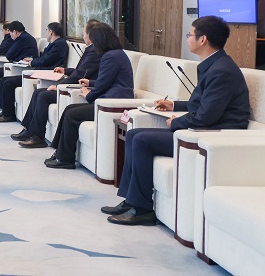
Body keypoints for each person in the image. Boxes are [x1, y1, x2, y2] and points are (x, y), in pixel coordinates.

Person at [104, 16, 250, 226]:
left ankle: (142, 209)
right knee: (134, 134)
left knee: (142, 140)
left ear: (203, 39)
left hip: (215, 134)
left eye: (190, 34)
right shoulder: (215, 65)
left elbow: (206, 116)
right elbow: (203, 103)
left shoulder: (222, 71)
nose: (188, 38)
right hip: (204, 128)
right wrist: (174, 105)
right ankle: (131, 200)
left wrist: (177, 123)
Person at [45, 23, 134, 169]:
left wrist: (88, 94)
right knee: (69, 109)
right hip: (111, 99)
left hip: (112, 104)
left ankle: (65, 159)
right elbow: (108, 80)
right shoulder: (116, 54)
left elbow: (101, 87)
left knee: (72, 114)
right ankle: (60, 152)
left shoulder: (110, 57)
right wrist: (90, 82)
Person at [15, 19, 102, 148]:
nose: (83, 35)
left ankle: (38, 136)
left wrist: (58, 86)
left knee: (43, 95)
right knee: (38, 92)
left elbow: (80, 74)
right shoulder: (90, 49)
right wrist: (65, 70)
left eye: (84, 33)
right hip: (75, 84)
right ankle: (29, 130)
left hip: (79, 88)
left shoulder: (95, 51)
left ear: (90, 34)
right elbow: (80, 70)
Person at [0, 22, 69, 122]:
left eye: (46, 30)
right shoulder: (54, 44)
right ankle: (5, 111)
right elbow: (44, 58)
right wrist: (32, 60)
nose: (46, 33)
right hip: (40, 71)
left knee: (8, 83)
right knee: (4, 80)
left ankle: (9, 114)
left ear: (51, 32)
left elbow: (45, 60)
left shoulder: (59, 44)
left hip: (46, 73)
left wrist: (32, 62)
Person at [0, 21, 39, 110]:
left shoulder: (21, 39)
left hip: (22, 69)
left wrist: (14, 57)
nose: (10, 35)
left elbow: (9, 54)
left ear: (15, 32)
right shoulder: (25, 37)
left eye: (10, 33)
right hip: (18, 66)